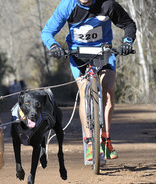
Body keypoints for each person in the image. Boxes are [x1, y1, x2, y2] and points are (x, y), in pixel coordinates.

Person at [41, 0, 136, 162]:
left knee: (109, 87)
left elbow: (129, 25)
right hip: (77, 54)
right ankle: (89, 141)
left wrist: (127, 42)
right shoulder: (67, 6)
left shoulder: (108, 5)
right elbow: (47, 32)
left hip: (103, 52)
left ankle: (105, 139)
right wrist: (53, 46)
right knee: (84, 90)